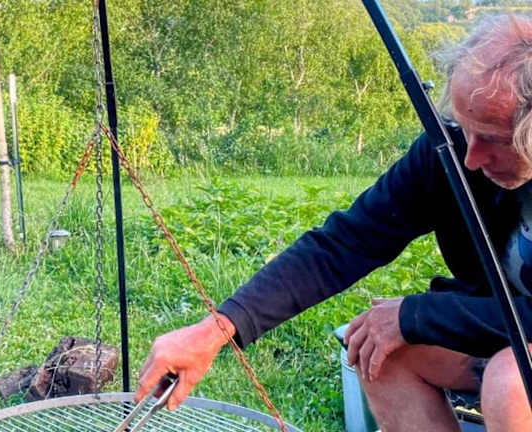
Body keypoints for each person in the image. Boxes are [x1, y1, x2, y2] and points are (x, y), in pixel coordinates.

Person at [136, 14, 532, 432]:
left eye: (493, 138)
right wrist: (215, 330)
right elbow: (345, 242)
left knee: (511, 382)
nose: (471, 158)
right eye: (466, 130)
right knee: (378, 350)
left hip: (516, 350)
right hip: (502, 329)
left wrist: (418, 314)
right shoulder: (450, 151)